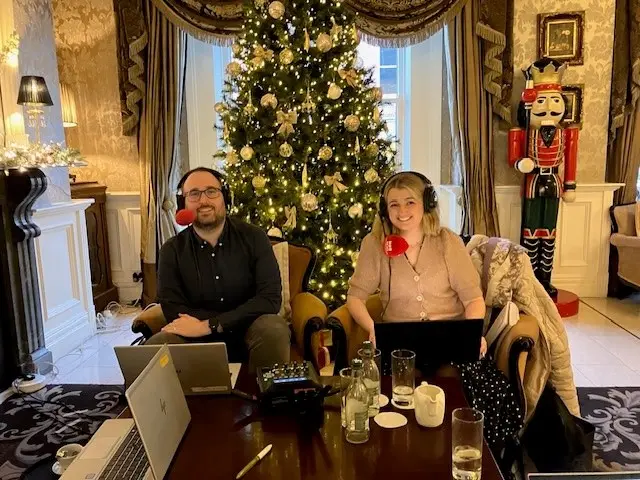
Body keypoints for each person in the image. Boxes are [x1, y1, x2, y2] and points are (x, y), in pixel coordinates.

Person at [146, 167, 290, 372]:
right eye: (194, 194)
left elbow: (270, 299)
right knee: (156, 347)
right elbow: (171, 307)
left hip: (250, 329)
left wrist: (212, 324)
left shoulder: (254, 238)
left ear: (225, 198)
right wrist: (203, 328)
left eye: (211, 191)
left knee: (274, 329)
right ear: (183, 204)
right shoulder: (172, 250)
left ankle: (266, 401)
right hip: (193, 336)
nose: (204, 201)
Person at [346, 171, 487, 355]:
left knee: (454, 380)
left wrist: (471, 334)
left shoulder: (448, 241)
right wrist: (373, 328)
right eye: (394, 204)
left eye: (410, 202)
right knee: (398, 381)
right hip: (399, 345)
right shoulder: (374, 244)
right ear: (385, 210)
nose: (402, 211)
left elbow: (473, 299)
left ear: (427, 204)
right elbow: (355, 297)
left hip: (449, 339)